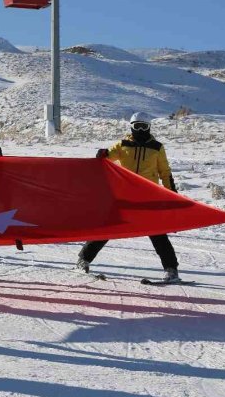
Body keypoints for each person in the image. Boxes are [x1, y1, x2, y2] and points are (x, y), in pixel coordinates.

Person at [77, 111, 181, 282]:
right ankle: (83, 260)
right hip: (125, 196)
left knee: (157, 233)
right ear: (131, 127)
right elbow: (107, 157)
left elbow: (165, 172)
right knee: (109, 228)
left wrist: (173, 195)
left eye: (144, 126)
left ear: (149, 127)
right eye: (137, 126)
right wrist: (102, 153)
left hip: (148, 197)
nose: (140, 130)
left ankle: (171, 270)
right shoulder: (123, 145)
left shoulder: (157, 147)